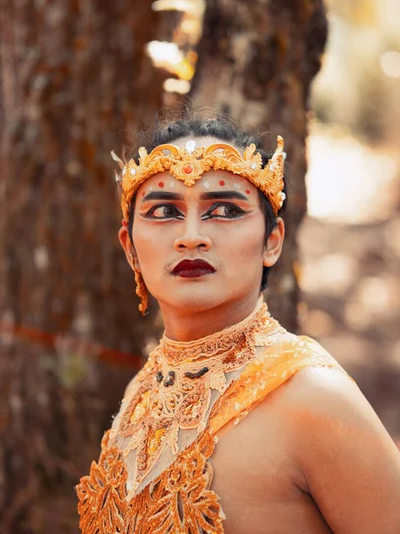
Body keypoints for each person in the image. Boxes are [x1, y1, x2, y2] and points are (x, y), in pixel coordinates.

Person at [76, 117, 400, 534]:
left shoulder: (313, 398)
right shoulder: (143, 389)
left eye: (225, 210)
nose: (191, 237)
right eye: (164, 211)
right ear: (131, 249)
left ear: (272, 241)